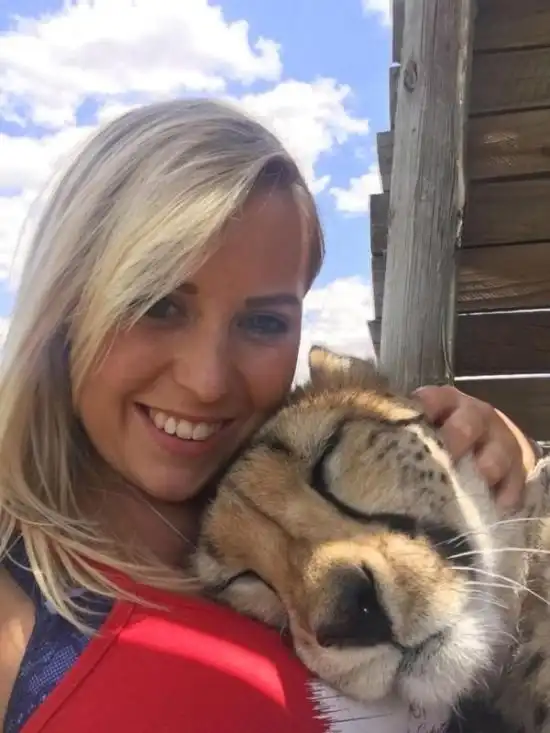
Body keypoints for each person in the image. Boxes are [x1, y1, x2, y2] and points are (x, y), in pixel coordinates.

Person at [0, 97, 535, 733]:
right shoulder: (18, 613)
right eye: (155, 307)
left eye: (264, 322)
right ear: (65, 313)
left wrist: (490, 469)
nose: (206, 382)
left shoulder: (279, 464)